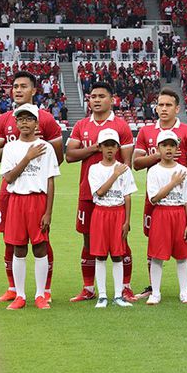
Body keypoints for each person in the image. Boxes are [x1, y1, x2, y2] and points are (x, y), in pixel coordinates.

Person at [0, 71, 63, 304]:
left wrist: (37, 158)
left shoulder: (47, 120)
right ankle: (14, 290)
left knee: (41, 243)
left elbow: (56, 159)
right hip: (12, 193)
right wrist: (22, 152)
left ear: (34, 90)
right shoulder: (3, 120)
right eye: (15, 86)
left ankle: (44, 291)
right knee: (12, 241)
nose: (18, 90)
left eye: (23, 86)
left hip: (37, 194)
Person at [66, 82, 136, 303]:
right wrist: (94, 148)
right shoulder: (81, 125)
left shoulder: (121, 126)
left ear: (111, 99)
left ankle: (125, 287)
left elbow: (127, 162)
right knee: (88, 240)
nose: (95, 100)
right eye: (92, 96)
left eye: (101, 96)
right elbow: (69, 155)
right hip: (88, 193)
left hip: (115, 197)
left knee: (120, 240)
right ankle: (89, 288)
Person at [133, 89, 187, 299]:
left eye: (168, 105)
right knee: (154, 243)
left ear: (177, 108)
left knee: (184, 243)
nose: (163, 109)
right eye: (160, 105)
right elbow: (136, 163)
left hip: (179, 200)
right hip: (155, 198)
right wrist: (158, 155)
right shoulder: (146, 132)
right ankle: (154, 288)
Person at [145, 130, 187, 305]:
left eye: (172, 145)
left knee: (183, 255)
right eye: (164, 145)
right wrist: (173, 183)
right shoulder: (153, 171)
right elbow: (154, 198)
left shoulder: (183, 170)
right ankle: (155, 292)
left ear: (177, 148)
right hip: (161, 213)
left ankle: (184, 292)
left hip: (179, 214)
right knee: (157, 256)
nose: (168, 149)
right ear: (158, 148)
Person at [88, 129, 137, 308]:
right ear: (100, 147)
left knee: (117, 255)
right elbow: (99, 192)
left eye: (113, 145)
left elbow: (128, 196)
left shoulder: (124, 169)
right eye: (106, 145)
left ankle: (118, 295)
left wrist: (127, 221)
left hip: (118, 213)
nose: (109, 149)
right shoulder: (94, 169)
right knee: (100, 256)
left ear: (117, 148)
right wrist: (115, 174)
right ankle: (102, 295)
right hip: (100, 213)